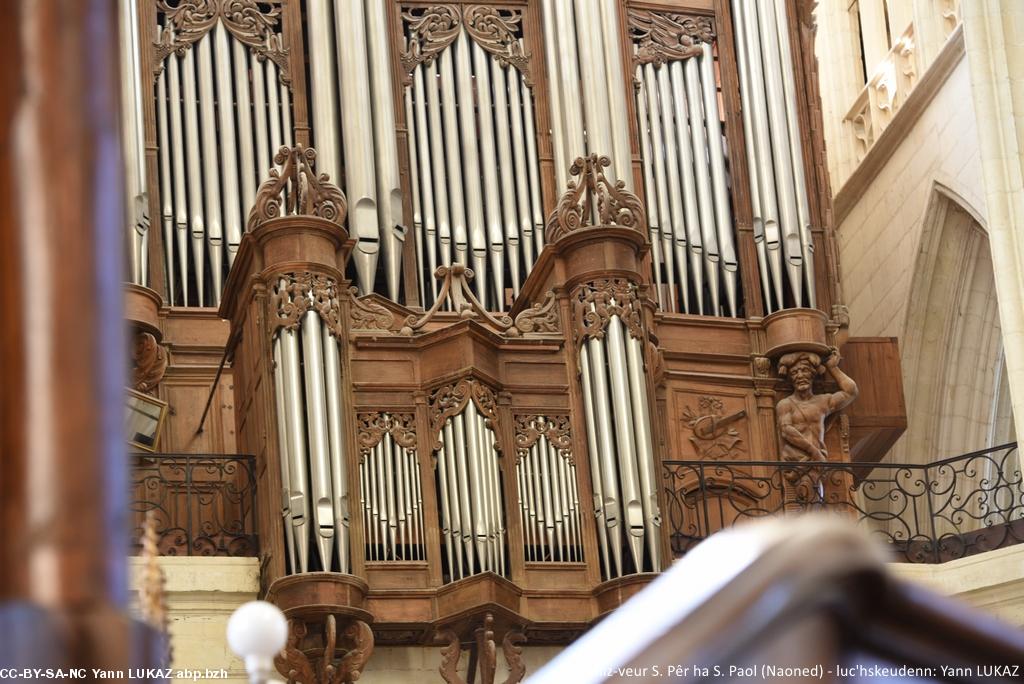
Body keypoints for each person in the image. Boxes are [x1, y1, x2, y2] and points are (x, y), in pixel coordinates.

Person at [776, 348, 858, 463]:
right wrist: (814, 452)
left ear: (812, 374)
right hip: (796, 460)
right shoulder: (785, 404)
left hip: (818, 460)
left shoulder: (823, 402)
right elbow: (786, 431)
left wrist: (833, 368)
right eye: (794, 372)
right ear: (790, 378)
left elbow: (851, 391)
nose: (800, 376)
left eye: (804, 370)